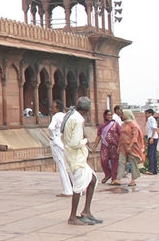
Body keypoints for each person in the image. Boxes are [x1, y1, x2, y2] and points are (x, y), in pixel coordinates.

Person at [62, 96, 100, 225]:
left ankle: (86, 211)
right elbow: (75, 142)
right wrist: (85, 141)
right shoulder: (77, 119)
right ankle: (72, 217)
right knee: (78, 187)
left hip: (74, 155)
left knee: (93, 179)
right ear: (88, 109)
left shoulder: (71, 115)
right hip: (75, 156)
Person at [48, 100, 72, 197]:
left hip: (57, 141)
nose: (51, 109)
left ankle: (67, 190)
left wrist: (52, 136)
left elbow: (50, 127)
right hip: (64, 141)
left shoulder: (56, 116)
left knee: (62, 166)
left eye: (53, 107)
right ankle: (78, 189)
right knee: (69, 166)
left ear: (57, 108)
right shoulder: (65, 116)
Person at [118, 110, 144, 187]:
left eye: (122, 114)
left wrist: (130, 146)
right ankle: (118, 178)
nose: (121, 116)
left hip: (132, 147)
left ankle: (133, 180)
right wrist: (119, 146)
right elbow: (121, 136)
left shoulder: (133, 125)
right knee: (121, 162)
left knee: (133, 163)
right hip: (123, 146)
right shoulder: (123, 125)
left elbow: (135, 137)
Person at [94, 109, 121, 184]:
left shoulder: (115, 124)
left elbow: (120, 134)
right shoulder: (102, 126)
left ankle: (114, 178)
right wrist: (94, 146)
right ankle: (108, 174)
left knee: (114, 161)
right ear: (105, 116)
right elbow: (98, 136)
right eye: (108, 115)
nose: (110, 116)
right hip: (104, 145)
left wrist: (120, 145)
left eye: (111, 115)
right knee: (103, 161)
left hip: (114, 146)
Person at [144, 108, 159, 175]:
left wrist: (151, 138)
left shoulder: (150, 119)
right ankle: (154, 170)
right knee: (153, 154)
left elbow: (154, 129)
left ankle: (151, 170)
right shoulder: (152, 119)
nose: (146, 115)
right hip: (153, 137)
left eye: (146, 113)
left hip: (153, 137)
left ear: (150, 113)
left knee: (151, 154)